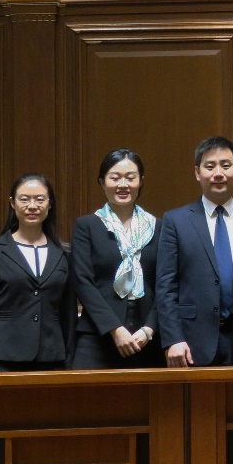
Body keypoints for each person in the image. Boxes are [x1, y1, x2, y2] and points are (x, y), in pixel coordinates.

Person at [155, 136, 233, 367]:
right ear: (197, 173)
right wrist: (173, 339)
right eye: (210, 166)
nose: (218, 173)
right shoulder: (175, 221)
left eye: (226, 165)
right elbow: (166, 286)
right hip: (191, 342)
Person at [0, 174, 76, 372]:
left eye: (40, 199)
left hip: (52, 358)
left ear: (50, 204)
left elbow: (68, 315)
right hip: (4, 358)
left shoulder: (64, 254)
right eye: (24, 199)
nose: (32, 205)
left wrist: (70, 364)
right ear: (12, 203)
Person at [70, 149, 162, 370]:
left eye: (130, 177)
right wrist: (115, 329)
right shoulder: (87, 226)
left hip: (148, 338)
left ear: (141, 182)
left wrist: (149, 329)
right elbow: (83, 282)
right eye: (115, 177)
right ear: (102, 182)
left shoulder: (159, 227)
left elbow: (167, 283)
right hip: (97, 336)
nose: (123, 184)